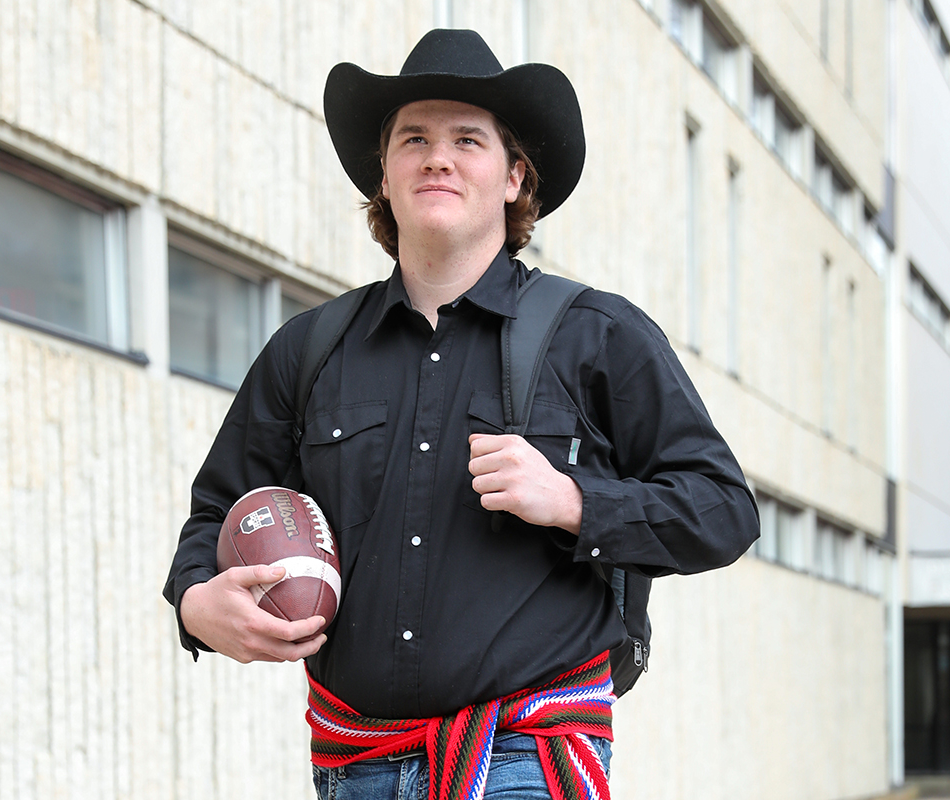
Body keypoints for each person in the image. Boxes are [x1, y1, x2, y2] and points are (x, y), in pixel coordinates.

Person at [163, 28, 760, 800]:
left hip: (526, 763)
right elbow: (216, 511)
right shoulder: (307, 351)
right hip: (355, 767)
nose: (437, 157)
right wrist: (197, 603)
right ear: (384, 175)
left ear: (514, 176)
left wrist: (574, 501)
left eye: (467, 140)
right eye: (413, 138)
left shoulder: (598, 336)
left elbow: (723, 509)